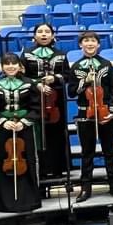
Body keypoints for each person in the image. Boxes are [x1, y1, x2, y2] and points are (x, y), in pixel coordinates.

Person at [67, 31, 113, 202]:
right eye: (86, 41)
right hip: (85, 112)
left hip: (105, 111)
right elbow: (71, 92)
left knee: (109, 150)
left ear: (98, 45)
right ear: (80, 45)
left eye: (93, 41)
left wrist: (111, 110)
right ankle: (85, 188)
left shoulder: (106, 64)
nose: (90, 44)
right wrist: (84, 82)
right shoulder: (76, 67)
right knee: (87, 152)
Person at [0, 53, 42, 213]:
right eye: (7, 63)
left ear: (19, 66)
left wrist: (23, 123)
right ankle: (4, 202)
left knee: (28, 159)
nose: (11, 66)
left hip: (24, 128)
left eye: (14, 63)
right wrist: (3, 122)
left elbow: (36, 109)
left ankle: (29, 200)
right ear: (2, 66)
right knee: (3, 162)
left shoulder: (29, 84)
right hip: (3, 129)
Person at [21, 23, 70, 180]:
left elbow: (68, 76)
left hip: (56, 101)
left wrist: (54, 78)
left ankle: (58, 168)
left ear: (53, 35)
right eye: (40, 31)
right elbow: (22, 77)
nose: (44, 34)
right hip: (34, 99)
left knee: (57, 133)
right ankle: (39, 168)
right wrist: (37, 84)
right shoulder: (27, 54)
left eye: (47, 32)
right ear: (34, 35)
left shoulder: (61, 54)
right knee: (37, 133)